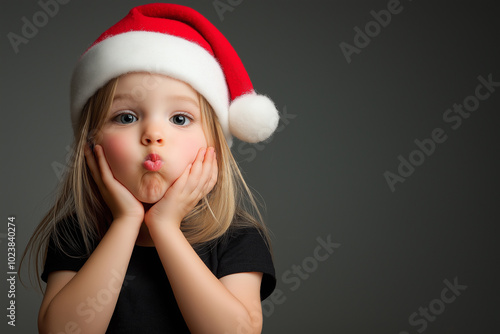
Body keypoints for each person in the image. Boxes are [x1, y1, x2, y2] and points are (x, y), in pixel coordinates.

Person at [22, 3, 279, 333]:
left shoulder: (235, 236)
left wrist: (166, 227)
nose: (153, 135)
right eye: (126, 117)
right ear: (91, 142)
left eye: (179, 119)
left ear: (214, 144)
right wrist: (126, 222)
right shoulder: (78, 232)